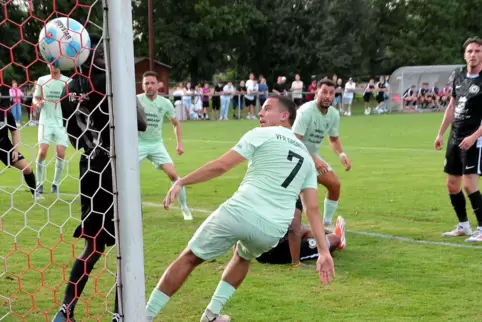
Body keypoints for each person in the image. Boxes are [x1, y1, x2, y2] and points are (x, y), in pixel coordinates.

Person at [145, 95, 335, 322]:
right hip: (272, 229)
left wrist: (182, 181)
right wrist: (324, 252)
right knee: (243, 257)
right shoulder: (307, 156)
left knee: (189, 258)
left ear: (284, 116)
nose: (260, 113)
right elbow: (312, 208)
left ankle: (144, 317)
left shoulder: (260, 134)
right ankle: (211, 315)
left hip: (240, 212)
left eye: (267, 109)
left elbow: (221, 166)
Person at [52, 34, 147, 322]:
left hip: (89, 168)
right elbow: (140, 123)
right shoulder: (112, 81)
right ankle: (120, 314)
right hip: (117, 170)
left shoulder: (69, 88)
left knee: (92, 247)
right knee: (127, 246)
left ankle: (65, 312)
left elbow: (74, 139)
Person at [434, 37, 482, 243]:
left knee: (469, 184)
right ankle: (463, 225)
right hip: (455, 137)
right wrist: (441, 133)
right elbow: (452, 106)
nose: (473, 54)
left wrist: (474, 137)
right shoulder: (458, 76)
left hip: (475, 139)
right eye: (470, 51)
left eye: (478, 51)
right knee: (452, 184)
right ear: (465, 55)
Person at [292, 79, 352, 233]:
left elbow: (333, 139)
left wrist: (342, 154)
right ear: (316, 92)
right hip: (294, 159)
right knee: (295, 198)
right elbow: (294, 142)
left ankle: (326, 223)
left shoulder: (333, 114)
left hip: (313, 160)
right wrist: (314, 159)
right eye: (324, 92)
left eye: (331, 93)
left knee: (334, 185)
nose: (328, 96)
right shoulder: (305, 111)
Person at [138, 71, 192, 220]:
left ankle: (184, 207)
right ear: (142, 86)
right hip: (138, 144)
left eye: (152, 83)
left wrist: (179, 144)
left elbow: (176, 123)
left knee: (174, 175)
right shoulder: (136, 101)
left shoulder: (165, 103)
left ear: (158, 85)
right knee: (125, 175)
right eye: (146, 83)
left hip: (156, 144)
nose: (149, 86)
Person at [32, 65, 69, 195]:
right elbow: (35, 97)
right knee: (42, 152)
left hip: (61, 122)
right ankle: (39, 183)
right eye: (52, 63)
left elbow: (71, 101)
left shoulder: (67, 81)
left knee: (60, 153)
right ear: (48, 64)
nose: (54, 66)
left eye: (57, 63)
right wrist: (38, 103)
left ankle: (55, 183)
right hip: (45, 121)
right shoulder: (42, 80)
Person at [256, 214, 346, 265]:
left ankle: (322, 235)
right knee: (335, 239)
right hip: (279, 253)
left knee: (301, 229)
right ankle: (334, 239)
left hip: (261, 248)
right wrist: (296, 262)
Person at [0, 89, 40, 200]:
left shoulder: (5, 113)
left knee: (27, 169)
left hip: (4, 146)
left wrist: (15, 150)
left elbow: (14, 132)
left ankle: (35, 193)